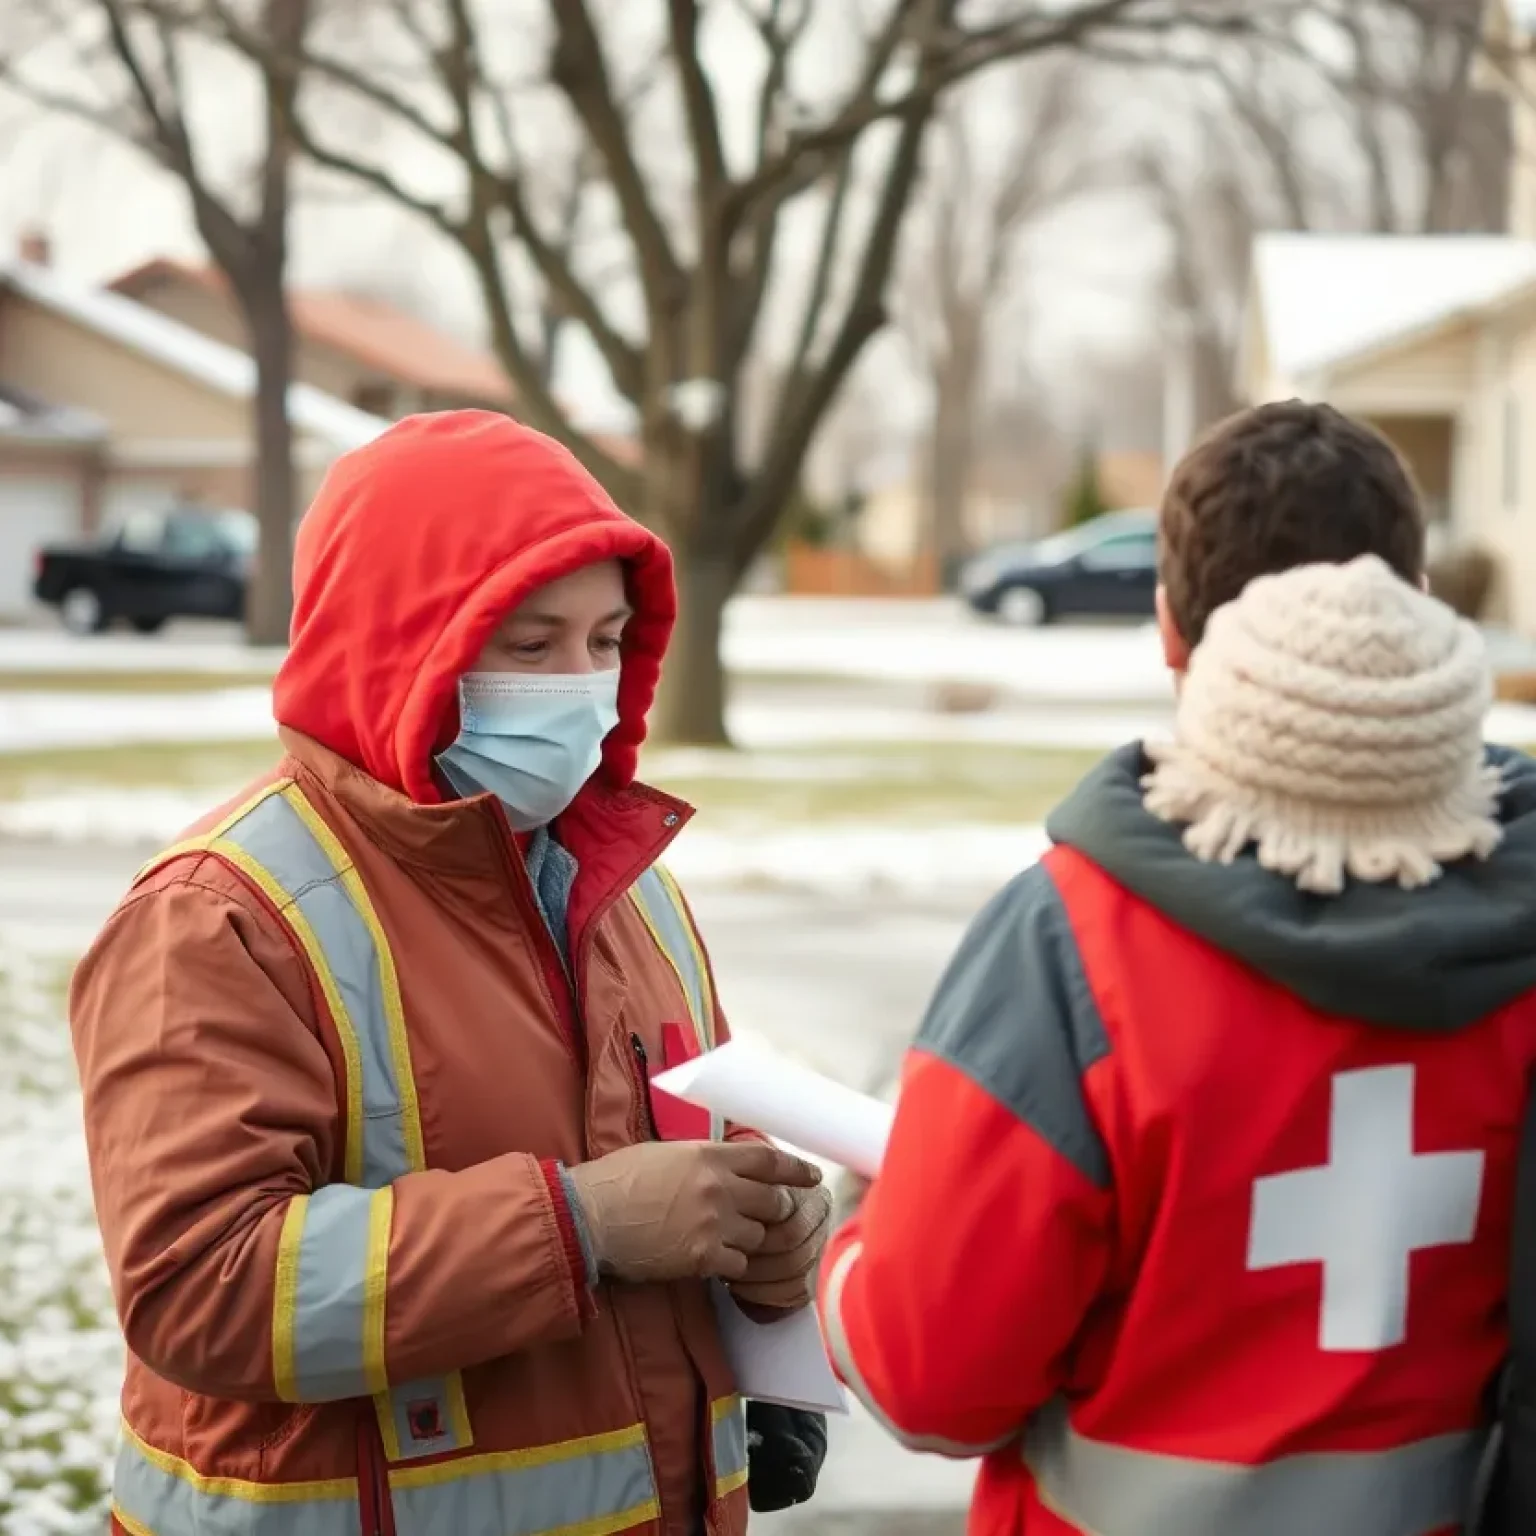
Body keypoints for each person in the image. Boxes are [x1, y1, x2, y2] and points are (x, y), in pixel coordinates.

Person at [70, 410, 833, 1536]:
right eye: (530, 647)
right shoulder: (221, 916)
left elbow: (679, 1183)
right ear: (398, 644)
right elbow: (199, 1288)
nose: (582, 687)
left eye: (608, 641)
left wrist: (764, 1264)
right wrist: (582, 1227)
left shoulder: (633, 894)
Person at [818, 399, 1536, 1536]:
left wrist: (858, 1230)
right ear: (1418, 609)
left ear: (1168, 630)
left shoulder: (1071, 942)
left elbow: (930, 1380)